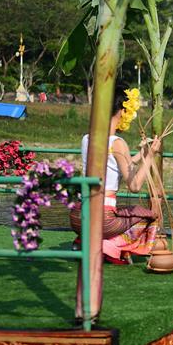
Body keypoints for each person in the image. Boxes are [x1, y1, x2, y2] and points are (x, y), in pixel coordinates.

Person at [69, 87, 162, 265]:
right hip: (102, 220)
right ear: (122, 111)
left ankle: (84, 241)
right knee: (150, 217)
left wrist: (141, 154)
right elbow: (134, 186)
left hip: (77, 217)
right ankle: (108, 246)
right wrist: (150, 157)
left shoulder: (87, 139)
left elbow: (112, 163)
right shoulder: (118, 143)